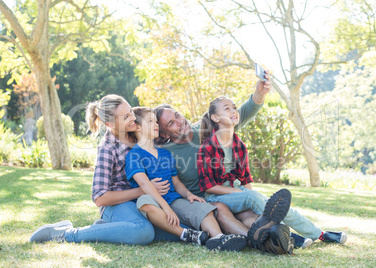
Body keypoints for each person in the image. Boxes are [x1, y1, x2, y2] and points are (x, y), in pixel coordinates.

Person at [154, 73, 347, 253]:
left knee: (252, 215)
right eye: (171, 123)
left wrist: (260, 93)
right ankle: (284, 237)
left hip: (232, 192)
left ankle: (289, 236)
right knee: (229, 208)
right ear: (163, 133)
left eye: (177, 115)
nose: (179, 121)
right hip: (207, 201)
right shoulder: (165, 153)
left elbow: (241, 114)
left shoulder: (207, 129)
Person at [29, 94, 182, 244]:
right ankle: (66, 234)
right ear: (111, 124)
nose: (133, 118)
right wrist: (143, 190)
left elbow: (162, 128)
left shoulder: (139, 133)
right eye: (126, 117)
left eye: (130, 112)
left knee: (177, 230)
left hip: (144, 203)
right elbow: (100, 197)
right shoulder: (107, 148)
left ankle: (109, 229)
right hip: (117, 205)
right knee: (144, 231)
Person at [124, 107, 248, 251]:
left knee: (203, 209)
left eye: (156, 121)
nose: (156, 124)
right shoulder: (134, 155)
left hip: (174, 199)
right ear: (137, 127)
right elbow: (144, 184)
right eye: (151, 121)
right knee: (144, 203)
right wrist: (165, 207)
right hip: (152, 200)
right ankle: (187, 234)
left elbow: (176, 182)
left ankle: (218, 238)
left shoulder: (165, 153)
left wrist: (189, 195)